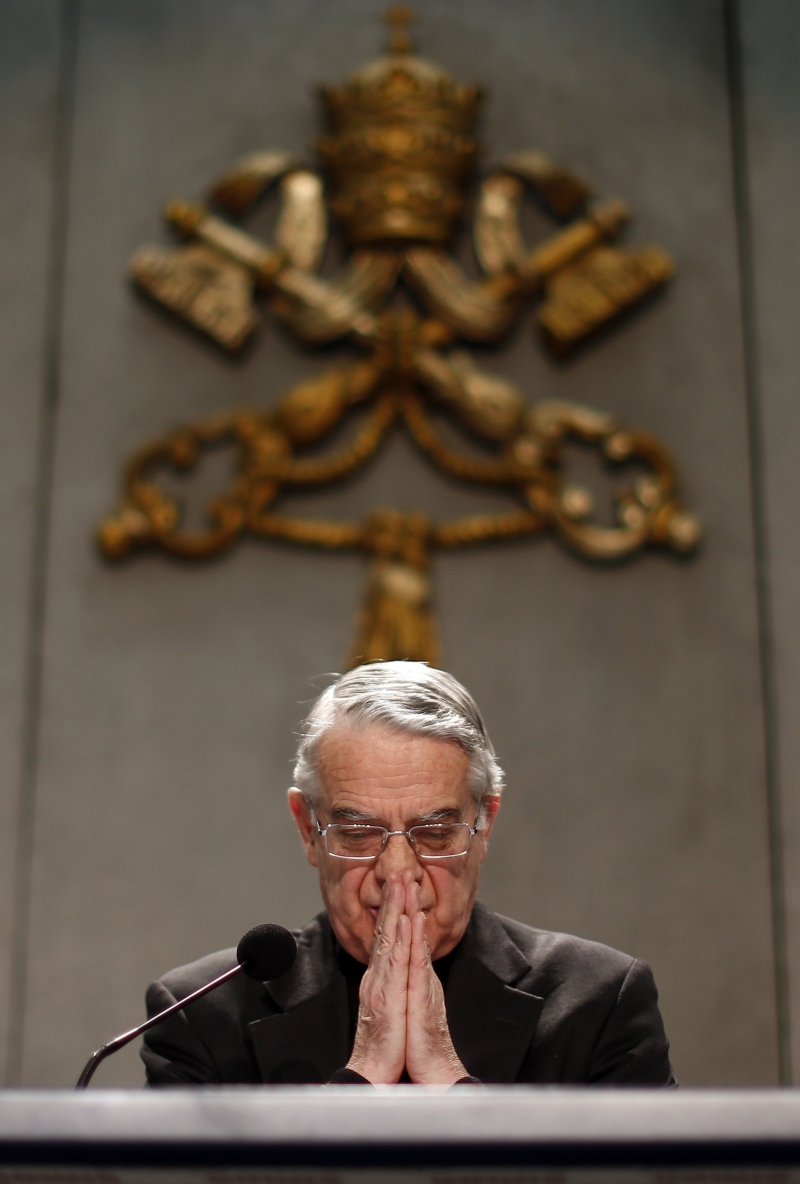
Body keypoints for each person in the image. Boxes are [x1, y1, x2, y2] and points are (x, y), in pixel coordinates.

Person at [142, 661, 675, 1086]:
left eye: (435, 834)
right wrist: (364, 1078)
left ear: (484, 824)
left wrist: (446, 1079)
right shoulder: (201, 1016)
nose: (398, 873)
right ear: (308, 828)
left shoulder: (598, 1001)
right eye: (358, 834)